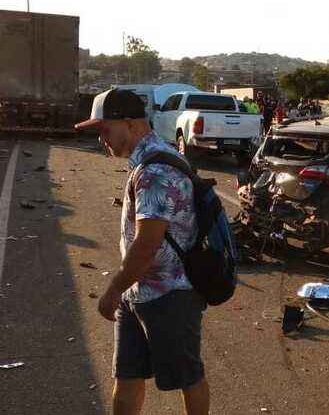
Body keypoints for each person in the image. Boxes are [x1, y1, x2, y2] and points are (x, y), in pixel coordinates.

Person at [75, 88, 210, 415]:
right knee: (127, 374)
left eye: (105, 130)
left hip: (170, 294)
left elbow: (148, 243)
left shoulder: (155, 171)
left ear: (132, 125)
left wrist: (113, 289)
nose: (102, 140)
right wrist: (126, 289)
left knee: (187, 377)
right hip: (139, 290)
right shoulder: (148, 161)